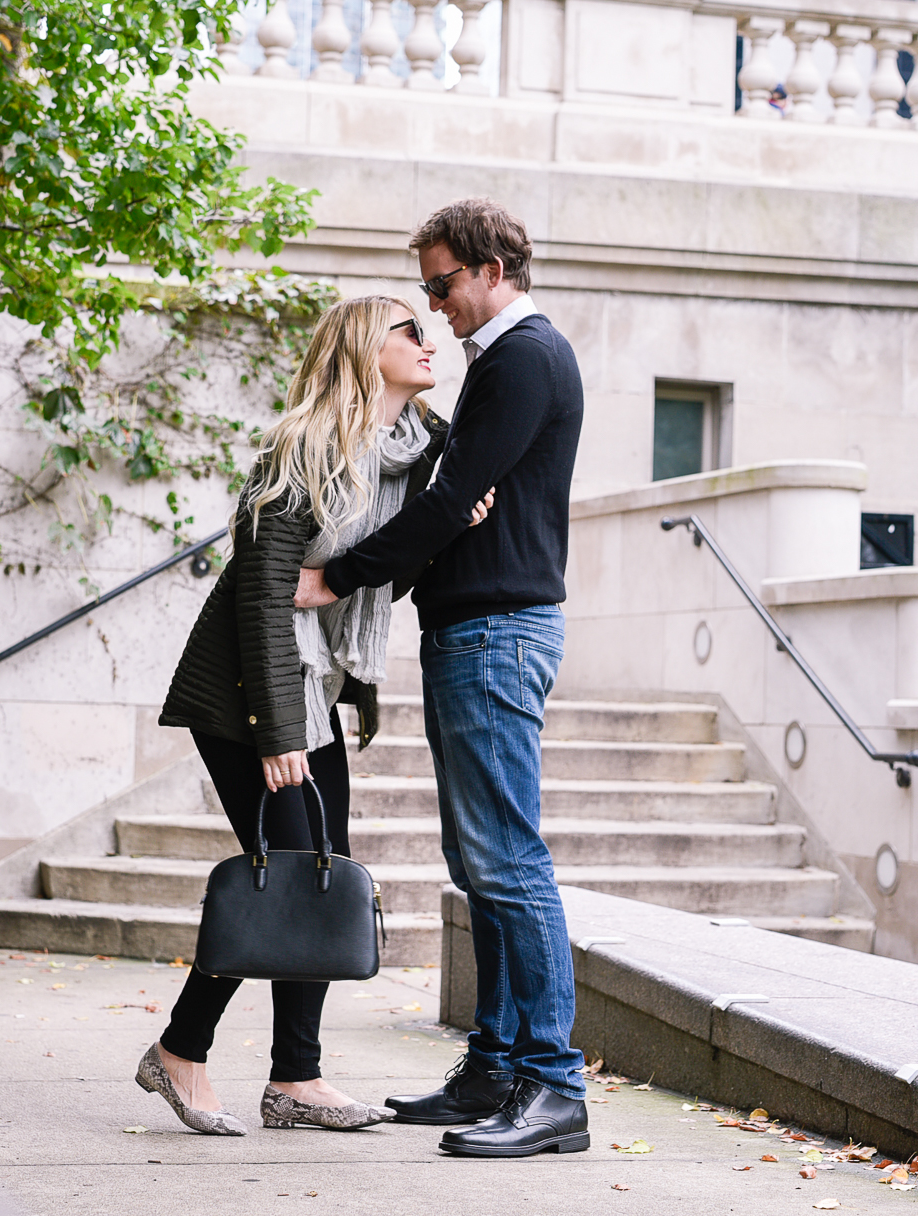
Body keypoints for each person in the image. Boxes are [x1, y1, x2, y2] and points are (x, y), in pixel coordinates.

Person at [135, 294, 493, 1136]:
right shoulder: (303, 450)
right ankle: (184, 1052)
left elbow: (389, 568)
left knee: (318, 873)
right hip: (245, 698)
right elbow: (263, 596)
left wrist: (448, 529)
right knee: (292, 873)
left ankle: (295, 1077)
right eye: (408, 329)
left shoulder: (423, 452)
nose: (428, 338)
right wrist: (278, 733)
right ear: (365, 352)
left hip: (320, 689)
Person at [294, 199, 588, 1158]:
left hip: (498, 632)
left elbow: (457, 498)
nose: (436, 307)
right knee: (480, 866)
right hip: (473, 629)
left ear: (494, 267)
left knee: (509, 862)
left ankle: (553, 1086)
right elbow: (446, 499)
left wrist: (336, 577)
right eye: (427, 291)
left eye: (442, 285)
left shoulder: (525, 359)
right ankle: (495, 1067)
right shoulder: (500, 367)